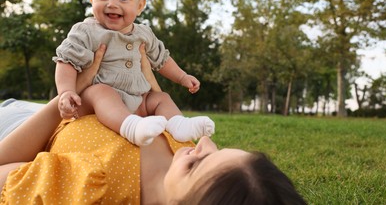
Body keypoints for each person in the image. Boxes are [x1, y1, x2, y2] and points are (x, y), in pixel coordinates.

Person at [0, 46, 306, 204]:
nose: (204, 144)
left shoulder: (94, 187)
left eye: (197, 165)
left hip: (20, 122)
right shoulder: (182, 149)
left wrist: (66, 98)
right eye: (218, 149)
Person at [52, 0, 214, 146]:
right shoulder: (86, 31)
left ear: (139, 6)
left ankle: (178, 124)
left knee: (160, 98)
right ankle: (130, 128)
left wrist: (182, 77)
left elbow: (162, 59)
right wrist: (66, 92)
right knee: (101, 92)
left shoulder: (144, 34)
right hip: (97, 102)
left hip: (138, 100)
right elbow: (66, 61)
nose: (112, 4)